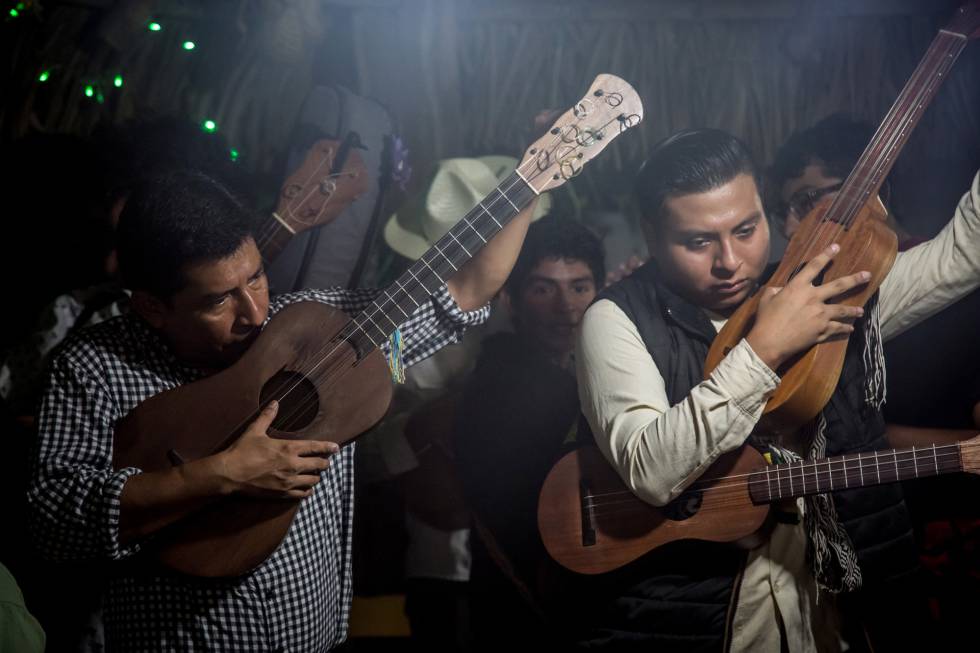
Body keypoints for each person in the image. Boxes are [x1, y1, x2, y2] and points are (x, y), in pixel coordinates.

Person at [27, 168, 536, 652]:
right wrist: (217, 476)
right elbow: (53, 521)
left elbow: (468, 289)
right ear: (152, 307)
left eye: (256, 277)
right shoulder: (93, 366)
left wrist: (538, 172)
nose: (253, 310)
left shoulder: (315, 329)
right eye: (218, 301)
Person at [576, 128, 980, 651]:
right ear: (651, 235)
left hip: (842, 612)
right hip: (705, 623)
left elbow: (963, 253)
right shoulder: (613, 319)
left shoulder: (816, 289)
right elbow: (653, 471)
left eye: (746, 230)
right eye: (699, 242)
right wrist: (763, 350)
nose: (729, 261)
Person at [453, 215, 604, 650]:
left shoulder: (588, 370)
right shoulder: (497, 384)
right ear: (509, 301)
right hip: (522, 604)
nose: (567, 306)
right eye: (543, 289)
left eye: (580, 286)